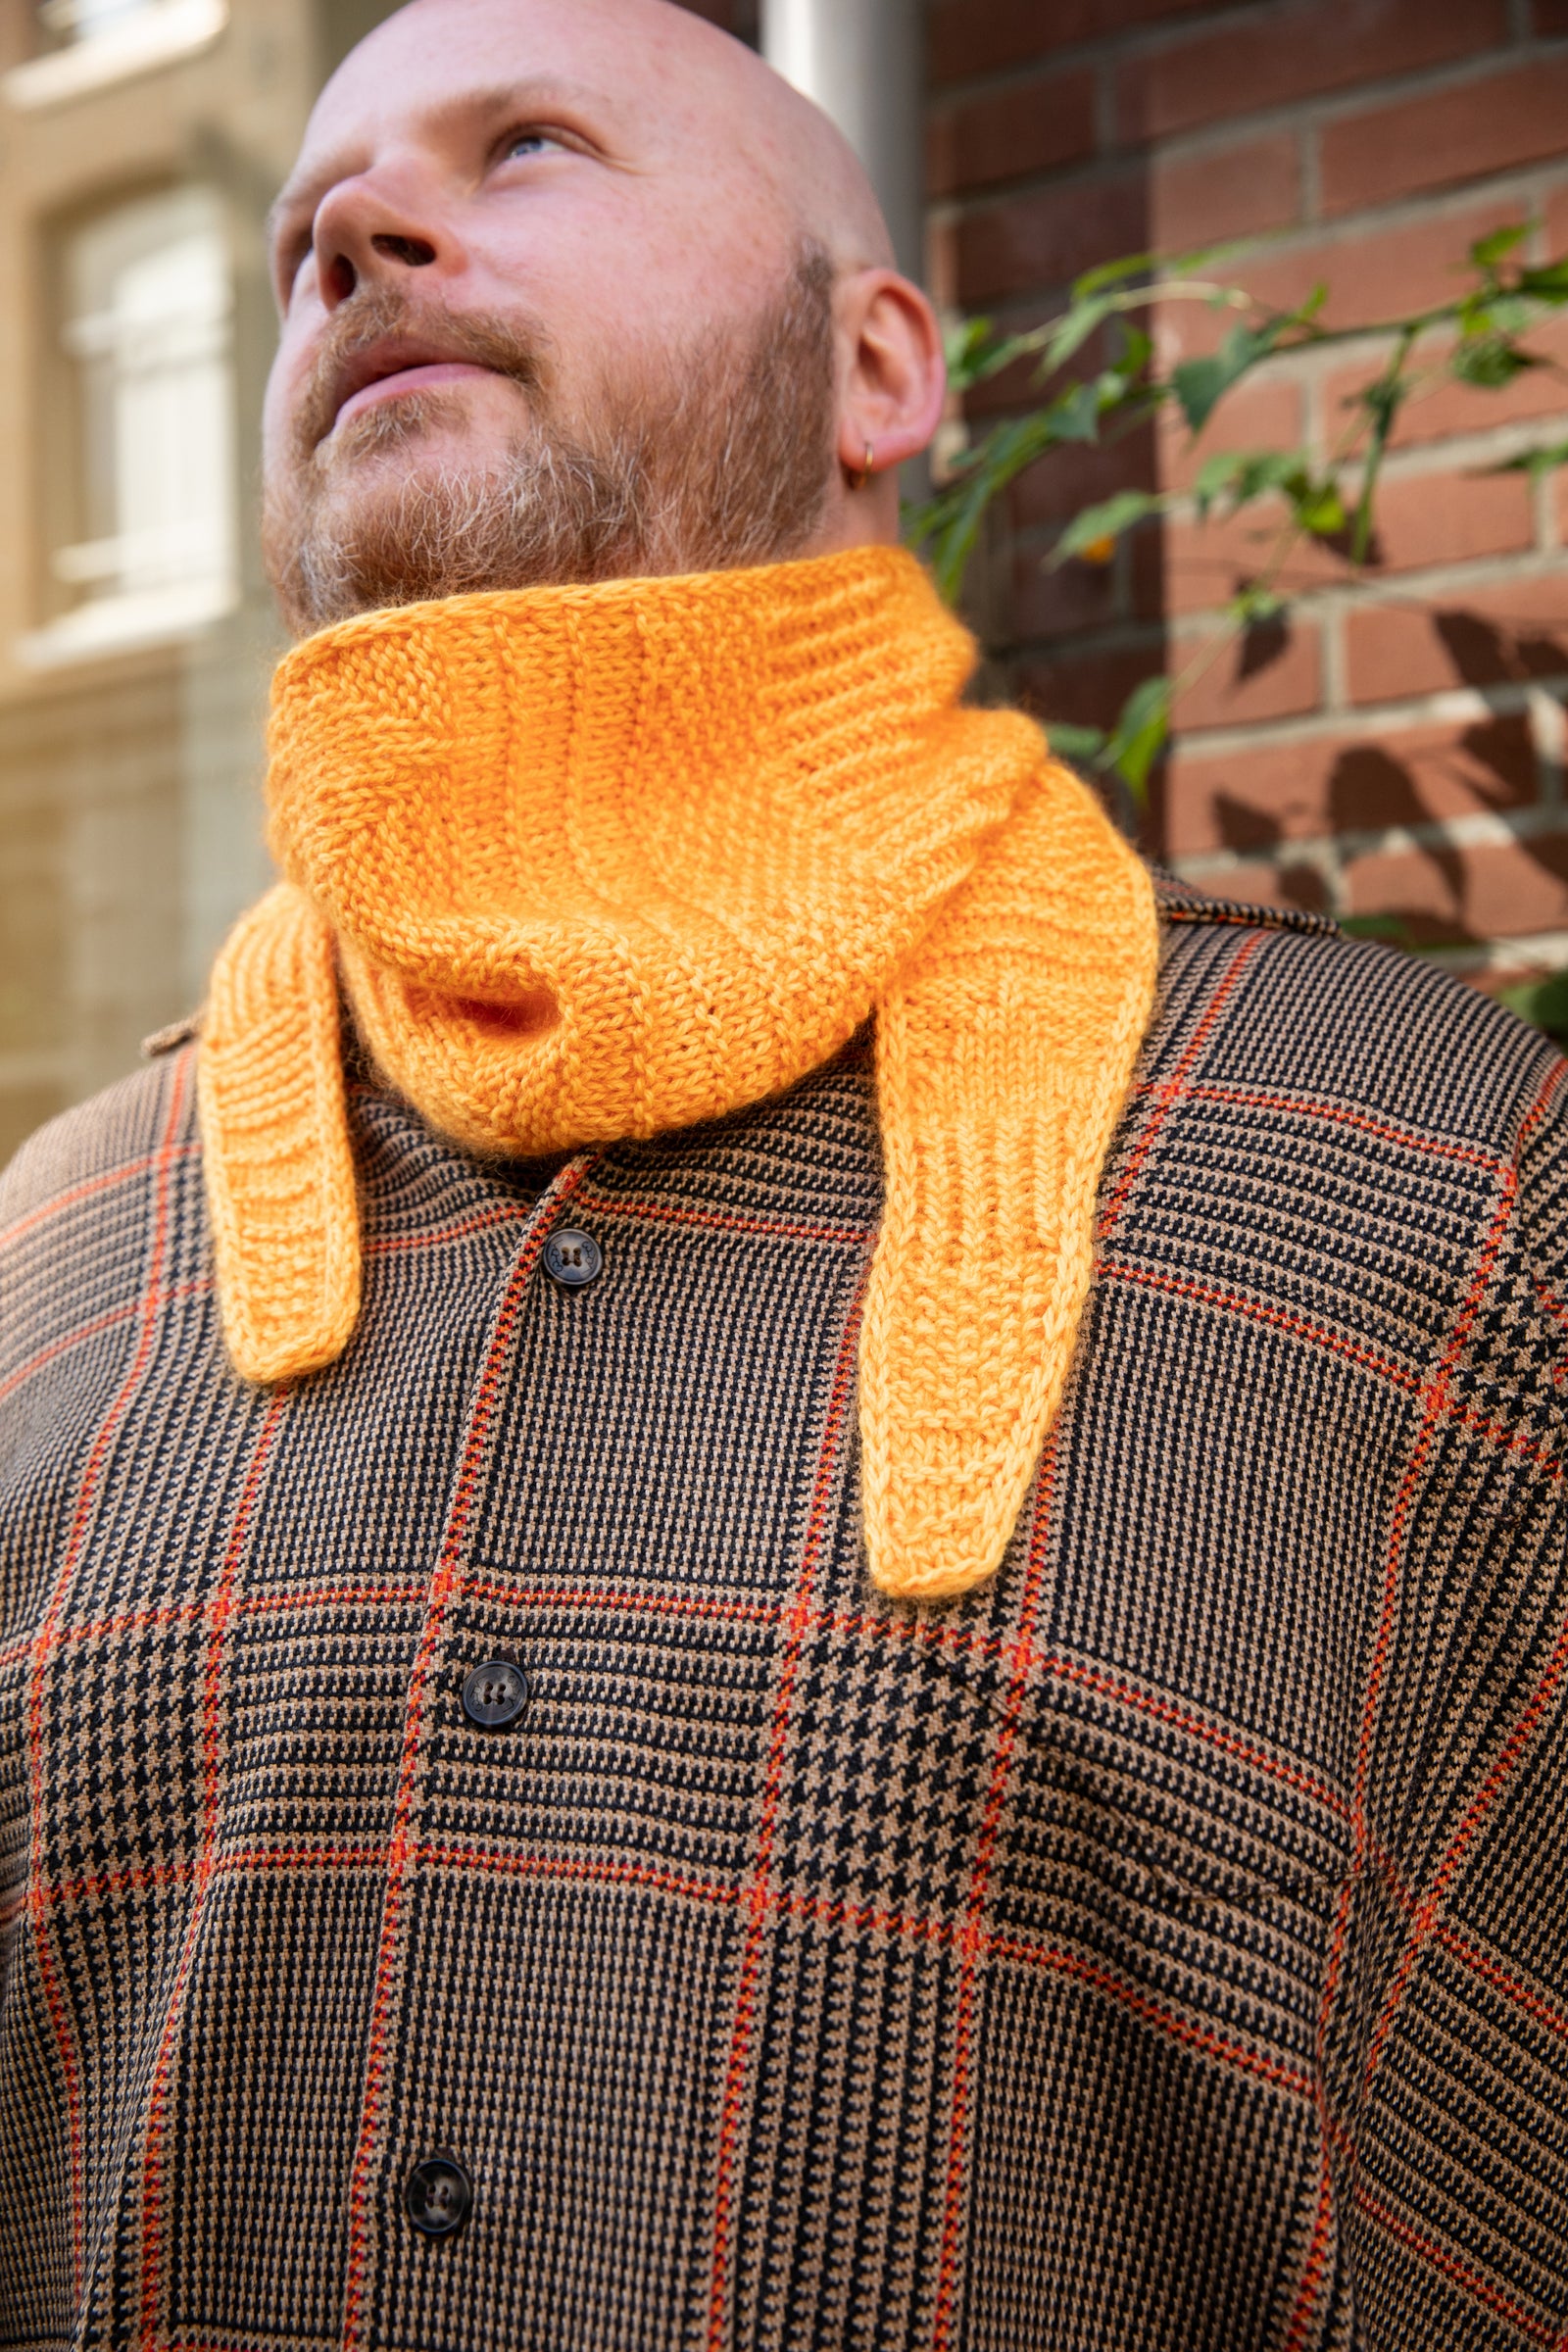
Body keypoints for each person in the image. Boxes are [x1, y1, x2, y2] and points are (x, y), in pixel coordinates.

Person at [2, 0, 1566, 2343]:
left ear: (879, 367)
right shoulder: (47, 1255)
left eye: (525, 144)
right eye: (302, 230)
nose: (352, 234)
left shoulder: (1445, 1193)